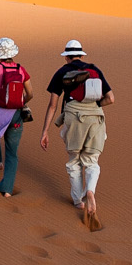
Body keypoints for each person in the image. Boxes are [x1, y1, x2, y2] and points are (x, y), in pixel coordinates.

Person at [40, 39, 114, 218]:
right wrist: (95, 106)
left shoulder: (62, 72)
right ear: (81, 55)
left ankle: (78, 201)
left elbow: (52, 105)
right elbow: (111, 98)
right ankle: (90, 191)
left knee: (74, 161)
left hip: (73, 118)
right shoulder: (94, 70)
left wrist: (45, 131)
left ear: (66, 57)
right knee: (92, 161)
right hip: (95, 118)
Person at [0, 38, 33, 197]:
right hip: (16, 114)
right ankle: (7, 189)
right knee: (12, 153)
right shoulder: (21, 69)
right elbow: (30, 93)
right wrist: (20, 102)